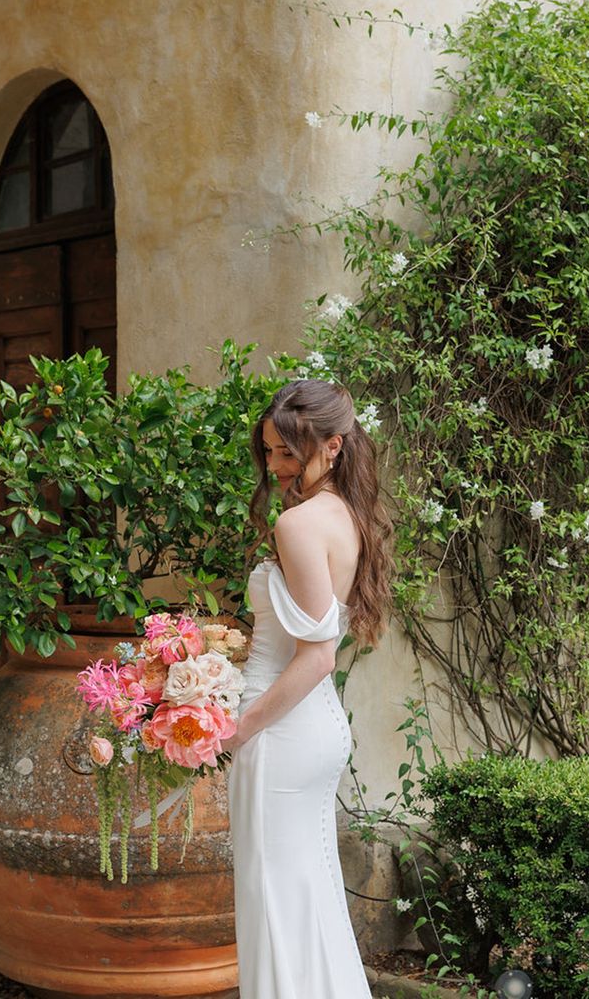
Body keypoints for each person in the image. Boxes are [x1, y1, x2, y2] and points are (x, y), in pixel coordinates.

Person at [221, 378, 394, 999]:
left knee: (275, 909)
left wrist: (237, 729)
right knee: (307, 904)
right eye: (268, 451)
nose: (274, 465)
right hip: (311, 730)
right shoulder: (348, 515)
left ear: (333, 447)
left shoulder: (299, 524)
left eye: (288, 452)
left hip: (279, 734)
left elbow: (317, 655)